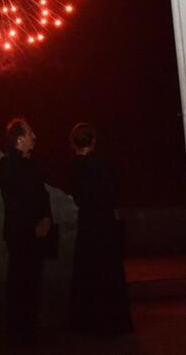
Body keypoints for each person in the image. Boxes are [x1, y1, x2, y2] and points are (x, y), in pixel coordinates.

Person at [68, 122, 133, 336]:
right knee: (109, 272)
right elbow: (114, 191)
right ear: (93, 141)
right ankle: (114, 321)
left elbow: (77, 195)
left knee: (88, 273)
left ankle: (88, 323)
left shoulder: (75, 166)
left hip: (88, 224)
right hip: (104, 223)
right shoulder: (103, 164)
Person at [0, 117, 52, 346]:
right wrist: (35, 223)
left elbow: (42, 195)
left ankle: (29, 332)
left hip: (35, 234)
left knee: (33, 283)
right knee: (19, 284)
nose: (34, 136)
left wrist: (47, 217)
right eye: (30, 133)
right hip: (21, 234)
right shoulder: (7, 165)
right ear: (20, 139)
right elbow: (16, 201)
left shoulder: (31, 164)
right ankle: (17, 335)